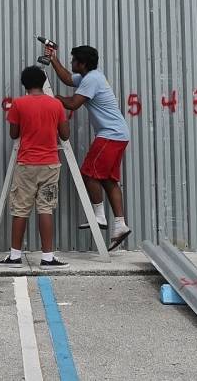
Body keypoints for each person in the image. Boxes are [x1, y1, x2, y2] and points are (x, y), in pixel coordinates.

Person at [44, 43, 133, 251]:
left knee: (89, 173)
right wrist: (53, 58)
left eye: (74, 60)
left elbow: (73, 103)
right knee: (109, 180)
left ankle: (99, 216)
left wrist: (53, 98)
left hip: (110, 134)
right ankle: (120, 225)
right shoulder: (88, 77)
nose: (72, 63)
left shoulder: (91, 79)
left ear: (82, 64)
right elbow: (67, 78)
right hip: (118, 134)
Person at [0, 66, 72, 269]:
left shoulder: (19, 104)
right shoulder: (55, 105)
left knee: (20, 209)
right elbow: (65, 135)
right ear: (43, 82)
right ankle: (48, 258)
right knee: (46, 209)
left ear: (25, 84)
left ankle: (14, 256)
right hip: (50, 165)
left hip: (27, 164)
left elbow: (14, 134)